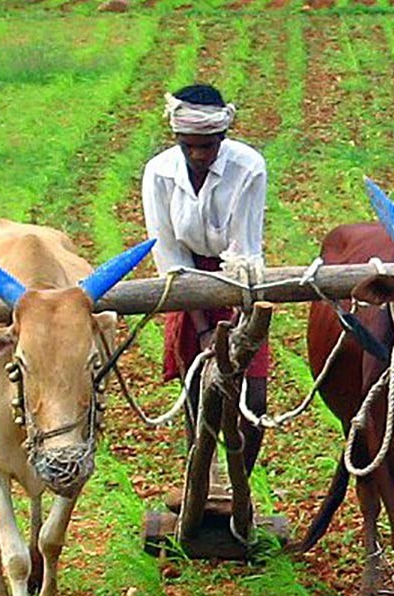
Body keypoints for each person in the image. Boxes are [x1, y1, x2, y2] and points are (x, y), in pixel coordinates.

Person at [141, 83, 270, 481]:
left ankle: (238, 487)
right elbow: (170, 257)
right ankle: (201, 480)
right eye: (189, 146)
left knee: (253, 397)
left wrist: (238, 331)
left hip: (239, 281)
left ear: (223, 136)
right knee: (199, 390)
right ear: (177, 139)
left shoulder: (248, 167)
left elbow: (244, 251)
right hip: (187, 285)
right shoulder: (159, 173)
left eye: (208, 146)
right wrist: (201, 331)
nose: (198, 155)